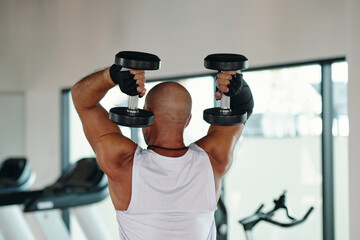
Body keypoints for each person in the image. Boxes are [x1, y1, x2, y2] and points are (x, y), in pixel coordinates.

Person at [71, 62, 254, 240]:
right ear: (188, 120)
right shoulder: (213, 159)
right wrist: (233, 82)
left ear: (146, 114)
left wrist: (112, 75)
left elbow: (82, 99)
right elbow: (242, 108)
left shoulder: (123, 162)